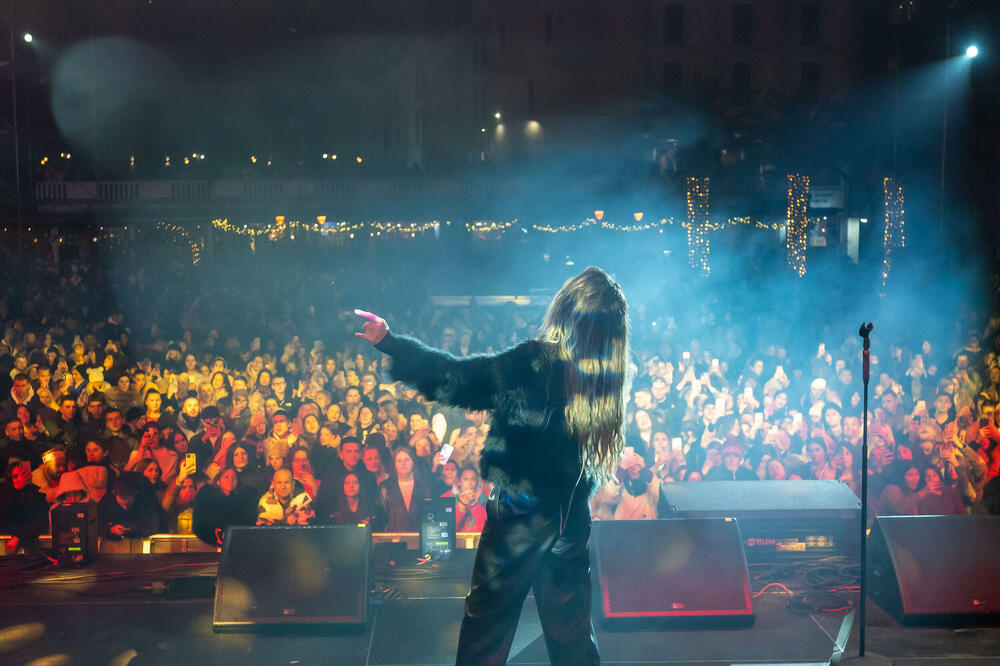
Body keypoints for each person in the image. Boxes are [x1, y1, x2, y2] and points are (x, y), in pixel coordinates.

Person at [354, 265, 628, 665]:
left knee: (487, 628)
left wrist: (392, 344)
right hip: (570, 518)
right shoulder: (606, 377)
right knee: (571, 633)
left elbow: (457, 379)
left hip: (520, 514)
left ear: (566, 309)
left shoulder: (535, 362)